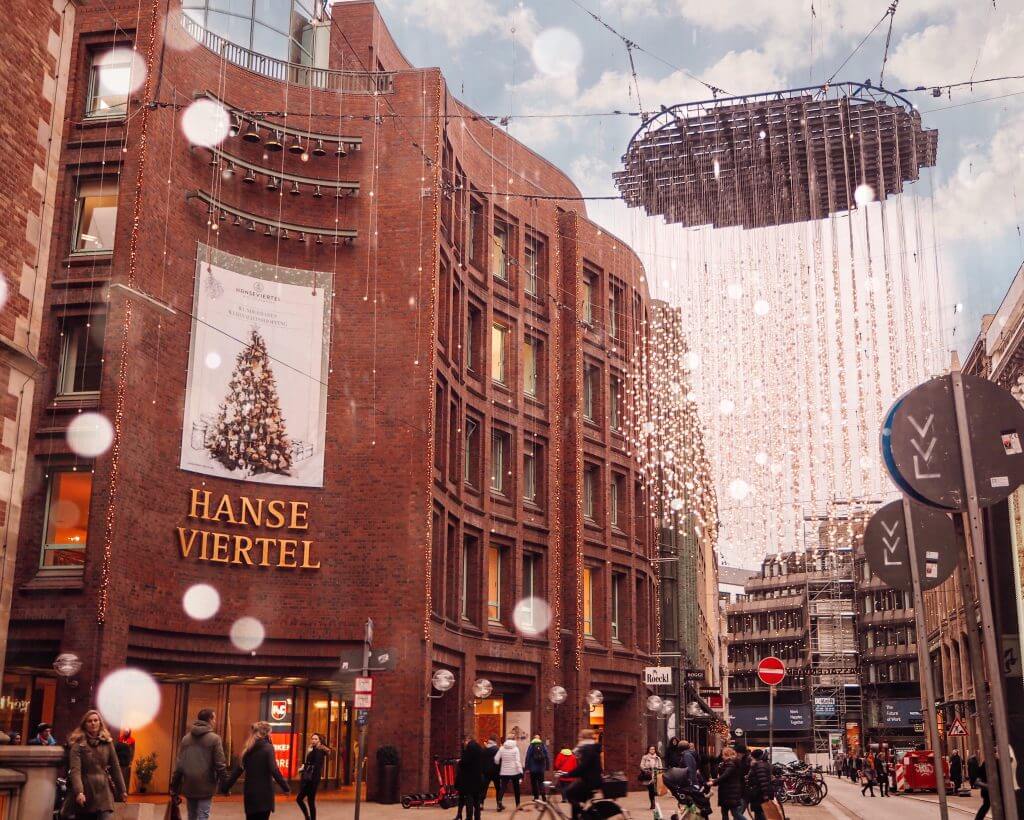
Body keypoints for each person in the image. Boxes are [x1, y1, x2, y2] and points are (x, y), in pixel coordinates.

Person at [222, 721, 290, 820]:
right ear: (267, 733)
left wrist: (226, 788)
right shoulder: (268, 748)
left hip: (250, 794)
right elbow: (274, 769)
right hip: (264, 794)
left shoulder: (248, 748)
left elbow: (237, 771)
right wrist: (286, 787)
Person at [67, 709, 127, 820]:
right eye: (89, 721)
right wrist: (79, 792)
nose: (93, 723)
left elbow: (115, 767)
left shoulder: (107, 742)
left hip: (104, 791)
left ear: (100, 723)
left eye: (96, 720)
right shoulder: (78, 744)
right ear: (84, 724)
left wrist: (122, 790)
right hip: (86, 791)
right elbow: (75, 770)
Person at [170, 707, 228, 820]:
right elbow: (220, 764)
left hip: (189, 784)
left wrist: (174, 786)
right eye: (214, 719)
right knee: (203, 815)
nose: (215, 721)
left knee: (191, 816)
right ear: (210, 720)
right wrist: (225, 785)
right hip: (206, 785)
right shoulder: (215, 739)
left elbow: (179, 765)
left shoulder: (186, 739)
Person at [565, 729, 602, 820]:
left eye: (580, 736)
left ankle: (582, 813)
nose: (578, 738)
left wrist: (569, 774)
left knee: (568, 792)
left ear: (584, 738)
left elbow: (583, 766)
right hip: (592, 779)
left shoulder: (587, 748)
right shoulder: (590, 747)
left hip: (590, 781)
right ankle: (577, 816)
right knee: (576, 797)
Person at [296, 732, 330, 820]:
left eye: (316, 739)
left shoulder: (318, 750)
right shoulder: (314, 749)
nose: (313, 740)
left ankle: (308, 817)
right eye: (313, 739)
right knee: (309, 801)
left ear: (320, 741)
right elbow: (309, 762)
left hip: (312, 780)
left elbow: (316, 765)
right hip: (311, 779)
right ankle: (309, 817)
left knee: (302, 799)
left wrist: (305, 767)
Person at [710, 747, 746, 820]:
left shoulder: (731, 764)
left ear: (727, 755)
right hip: (728, 791)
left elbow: (725, 775)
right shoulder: (729, 763)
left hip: (730, 792)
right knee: (725, 812)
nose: (722, 757)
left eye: (723, 755)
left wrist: (713, 782)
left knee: (735, 813)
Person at [454, 738, 485, 820]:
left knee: (469, 798)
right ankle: (477, 817)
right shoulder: (479, 747)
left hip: (469, 779)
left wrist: (459, 762)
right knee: (477, 799)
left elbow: (465, 761)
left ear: (467, 740)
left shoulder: (470, 748)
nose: (464, 744)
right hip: (477, 777)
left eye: (464, 742)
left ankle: (469, 817)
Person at [494, 736, 524, 810]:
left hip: (504, 771)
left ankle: (499, 803)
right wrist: (521, 771)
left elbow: (496, 759)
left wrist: (498, 764)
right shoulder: (515, 749)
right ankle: (518, 805)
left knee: (503, 788)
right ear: (514, 740)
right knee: (516, 788)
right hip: (514, 772)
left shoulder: (502, 748)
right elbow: (517, 761)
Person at [744, 749, 773, 820]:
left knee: (760, 813)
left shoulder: (759, 766)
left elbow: (763, 781)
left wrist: (765, 795)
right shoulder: (762, 764)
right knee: (760, 812)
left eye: (752, 757)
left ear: (755, 757)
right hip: (759, 793)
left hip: (759, 794)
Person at [524, 734, 551, 802]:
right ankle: (543, 797)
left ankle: (536, 797)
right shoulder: (542, 745)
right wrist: (547, 766)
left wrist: (527, 767)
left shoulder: (531, 745)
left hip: (533, 768)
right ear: (539, 739)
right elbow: (547, 756)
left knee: (534, 783)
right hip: (541, 768)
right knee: (541, 782)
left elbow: (528, 756)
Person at [640, 745, 662, 810]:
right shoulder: (645, 757)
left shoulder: (658, 758)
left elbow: (660, 766)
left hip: (656, 775)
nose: (652, 750)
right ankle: (652, 803)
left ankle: (653, 801)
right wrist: (646, 769)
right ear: (648, 750)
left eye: (653, 749)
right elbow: (641, 765)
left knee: (654, 790)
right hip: (648, 776)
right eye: (651, 749)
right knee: (650, 790)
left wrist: (659, 771)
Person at [114, 729, 136, 794]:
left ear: (129, 732)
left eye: (127, 731)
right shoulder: (120, 738)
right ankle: (119, 791)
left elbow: (133, 751)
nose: (125, 732)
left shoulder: (132, 740)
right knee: (119, 776)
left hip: (126, 761)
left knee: (125, 776)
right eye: (125, 731)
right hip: (119, 760)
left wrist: (131, 761)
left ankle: (125, 791)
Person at [483, 737, 501, 810]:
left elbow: (482, 761)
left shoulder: (484, 750)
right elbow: (499, 760)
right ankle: (498, 804)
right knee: (498, 788)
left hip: (486, 772)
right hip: (496, 772)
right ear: (495, 741)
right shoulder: (497, 749)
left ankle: (481, 803)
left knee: (484, 788)